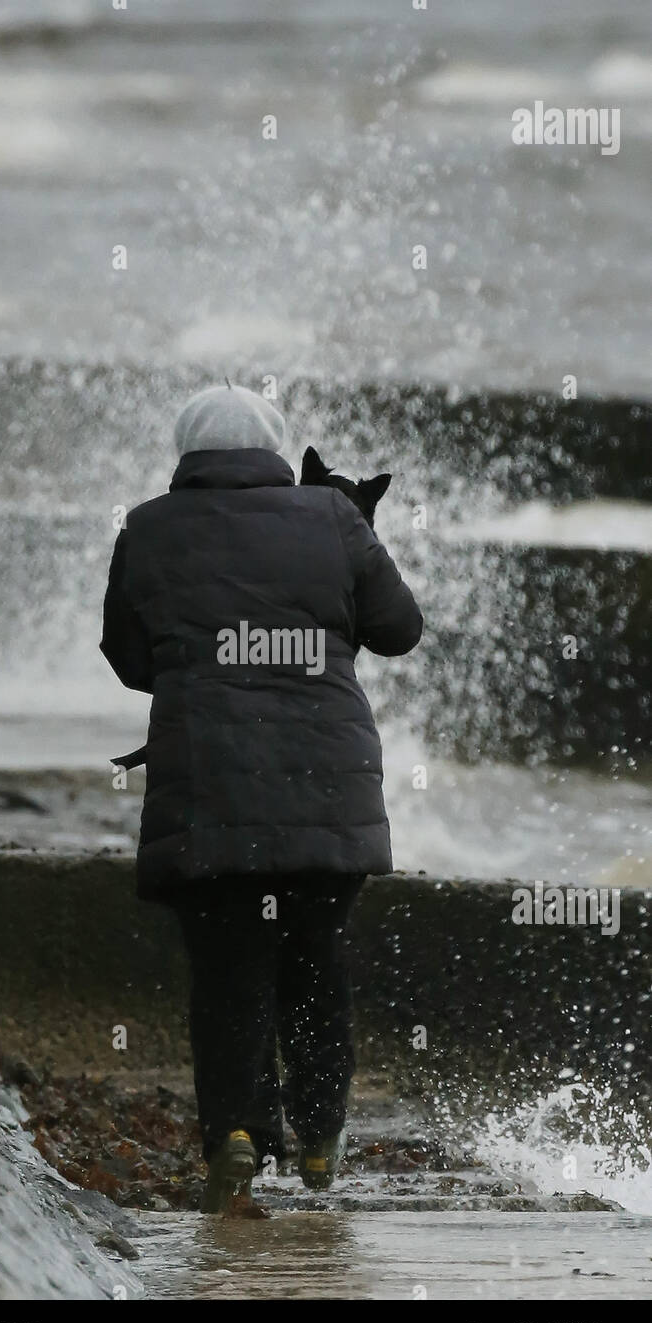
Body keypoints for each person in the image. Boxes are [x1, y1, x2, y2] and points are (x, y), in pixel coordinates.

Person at [100, 383, 423, 1212]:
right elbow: (398, 631)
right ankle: (319, 1136)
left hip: (208, 791)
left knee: (229, 966)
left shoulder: (145, 527)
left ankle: (239, 1133)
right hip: (329, 790)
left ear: (186, 449)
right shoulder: (334, 517)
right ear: (276, 446)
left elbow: (132, 658)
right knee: (315, 959)